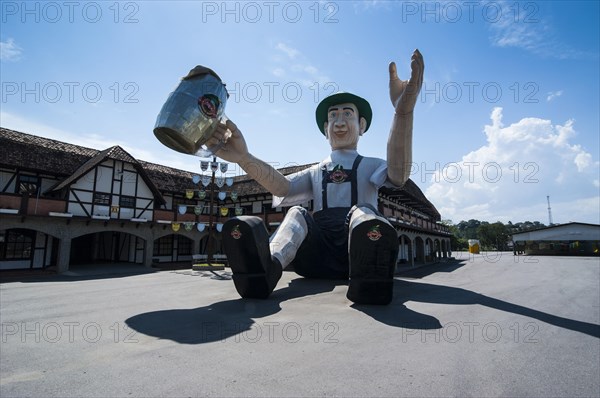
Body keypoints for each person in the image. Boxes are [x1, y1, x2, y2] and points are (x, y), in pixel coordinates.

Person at [208, 50, 424, 305]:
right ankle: (265, 269)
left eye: (347, 114)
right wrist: (244, 157)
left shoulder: (370, 165)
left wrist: (403, 114)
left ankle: (370, 275)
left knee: (364, 211)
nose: (339, 122)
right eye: (333, 116)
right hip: (316, 256)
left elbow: (399, 175)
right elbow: (284, 187)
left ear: (362, 126)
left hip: (356, 252)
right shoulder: (316, 171)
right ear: (325, 129)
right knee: (297, 213)